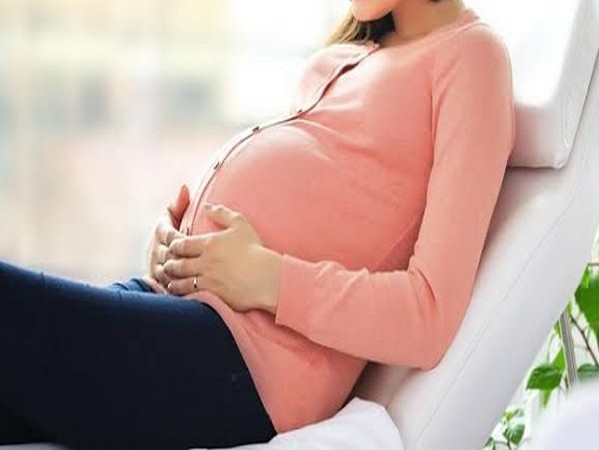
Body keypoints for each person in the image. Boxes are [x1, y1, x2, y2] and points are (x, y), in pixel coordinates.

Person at [0, 0, 516, 448]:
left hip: (246, 363)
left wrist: (267, 278)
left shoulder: (471, 59)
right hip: (181, 310)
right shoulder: (358, 50)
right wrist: (180, 246)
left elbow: (428, 313)